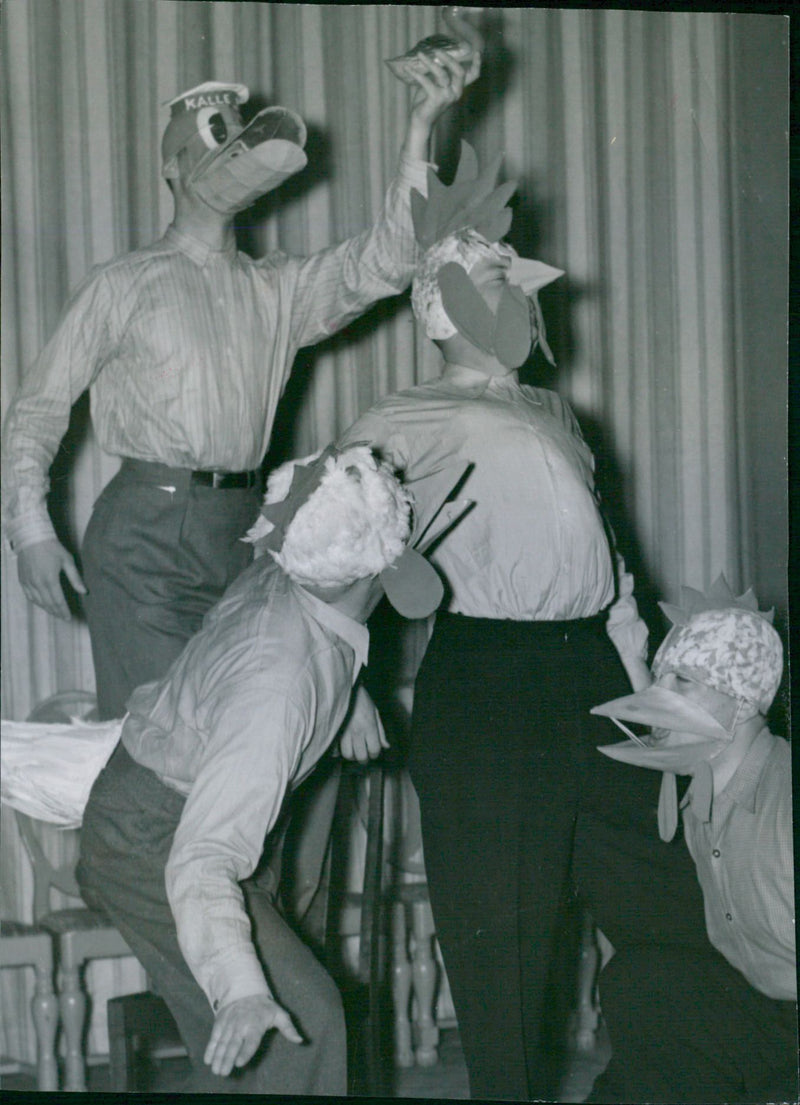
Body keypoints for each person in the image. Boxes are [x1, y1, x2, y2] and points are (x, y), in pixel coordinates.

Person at [337, 142, 708, 1100]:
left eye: (523, 289)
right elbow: (319, 542)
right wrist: (345, 686)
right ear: (446, 305)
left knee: (675, 903)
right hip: (486, 678)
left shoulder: (556, 410)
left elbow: (614, 571)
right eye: (502, 286)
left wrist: (652, 698)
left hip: (593, 672)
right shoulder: (402, 416)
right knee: (500, 937)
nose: (528, 306)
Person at [1, 61, 467, 720]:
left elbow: (387, 261)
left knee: (249, 729)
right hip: (145, 539)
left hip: (245, 531)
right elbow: (38, 407)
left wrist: (420, 126)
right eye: (212, 148)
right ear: (173, 170)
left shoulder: (277, 288)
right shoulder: (123, 284)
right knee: (162, 738)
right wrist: (31, 531)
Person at [75, 443, 462, 1095]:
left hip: (164, 803)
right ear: (378, 568)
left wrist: (350, 694)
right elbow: (202, 858)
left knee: (247, 1057)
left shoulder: (289, 568)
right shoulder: (277, 688)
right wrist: (243, 990)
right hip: (154, 840)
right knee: (297, 1022)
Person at [587, 576, 797, 1103]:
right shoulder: (698, 801)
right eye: (659, 677)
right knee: (638, 981)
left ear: (742, 703)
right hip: (767, 1012)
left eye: (681, 680)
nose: (656, 696)